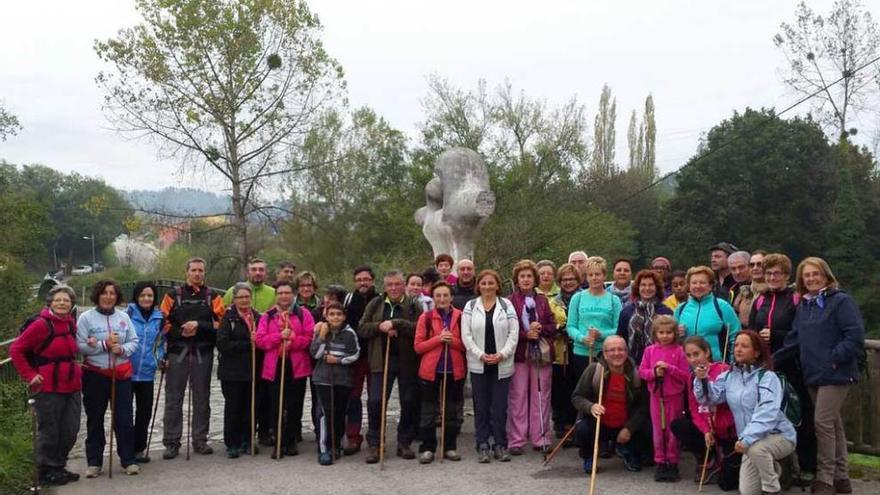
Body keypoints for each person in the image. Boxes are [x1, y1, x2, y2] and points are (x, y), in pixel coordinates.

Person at [775, 257, 865, 495]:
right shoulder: (805, 305)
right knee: (833, 424)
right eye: (807, 275)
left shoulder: (840, 301)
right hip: (812, 373)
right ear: (802, 280)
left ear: (826, 276)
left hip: (836, 373)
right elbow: (794, 339)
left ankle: (825, 478)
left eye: (816, 274)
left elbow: (854, 335)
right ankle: (842, 477)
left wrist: (835, 357)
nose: (812, 279)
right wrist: (770, 361)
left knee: (822, 423)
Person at [695, 330, 797, 495]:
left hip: (778, 435)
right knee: (747, 491)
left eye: (744, 346)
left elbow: (767, 411)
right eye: (736, 345)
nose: (738, 349)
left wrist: (746, 438)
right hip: (749, 442)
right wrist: (702, 379)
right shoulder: (727, 377)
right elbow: (709, 399)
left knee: (758, 450)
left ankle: (772, 489)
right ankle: (774, 468)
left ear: (756, 353)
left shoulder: (767, 377)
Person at [751, 253, 816, 483]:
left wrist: (777, 336)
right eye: (768, 273)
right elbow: (751, 332)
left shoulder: (796, 299)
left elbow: (801, 335)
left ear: (787, 275)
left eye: (777, 273)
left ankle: (808, 466)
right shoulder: (760, 300)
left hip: (792, 367)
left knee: (800, 416)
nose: (772, 277)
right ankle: (780, 470)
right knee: (770, 416)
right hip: (765, 369)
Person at [10, 285, 82, 486]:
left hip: (71, 384)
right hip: (47, 387)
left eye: (66, 300)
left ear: (71, 304)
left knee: (70, 430)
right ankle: (46, 470)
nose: (62, 303)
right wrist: (30, 375)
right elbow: (16, 349)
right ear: (50, 302)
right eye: (58, 300)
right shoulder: (41, 325)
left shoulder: (70, 323)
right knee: (50, 430)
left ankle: (58, 466)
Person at [159, 257, 225, 459]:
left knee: (202, 398)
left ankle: (200, 439)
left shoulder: (212, 297)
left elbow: (221, 324)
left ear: (205, 273)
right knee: (173, 399)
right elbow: (162, 323)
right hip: (177, 352)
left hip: (202, 353)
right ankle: (171, 441)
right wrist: (181, 332)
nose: (197, 274)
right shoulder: (172, 296)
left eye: (201, 271)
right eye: (194, 270)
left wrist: (199, 325)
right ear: (186, 272)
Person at [77, 280, 140, 477]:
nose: (108, 296)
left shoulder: (123, 317)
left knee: (124, 418)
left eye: (112, 293)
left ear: (117, 296)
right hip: (95, 374)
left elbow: (134, 341)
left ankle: (128, 459)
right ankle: (94, 462)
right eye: (104, 293)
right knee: (95, 418)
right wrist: (103, 345)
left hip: (120, 374)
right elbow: (79, 345)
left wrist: (121, 349)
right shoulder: (86, 318)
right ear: (98, 295)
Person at [358, 270, 422, 463]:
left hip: (406, 361)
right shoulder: (376, 303)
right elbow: (362, 328)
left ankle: (404, 442)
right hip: (380, 360)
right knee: (376, 401)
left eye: (397, 284)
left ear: (403, 285)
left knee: (408, 401)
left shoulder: (413, 304)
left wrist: (398, 324)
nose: (394, 288)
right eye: (390, 285)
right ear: (385, 287)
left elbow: (420, 328)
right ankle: (375, 443)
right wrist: (380, 327)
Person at [461, 269, 519, 463]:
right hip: (480, 364)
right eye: (484, 283)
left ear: (497, 285)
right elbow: (466, 335)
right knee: (481, 407)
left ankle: (500, 444)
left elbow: (514, 333)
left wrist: (502, 354)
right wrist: (481, 355)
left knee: (500, 407)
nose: (487, 286)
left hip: (501, 363)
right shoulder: (470, 306)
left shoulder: (506, 305)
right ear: (479, 285)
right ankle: (483, 444)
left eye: (491, 283)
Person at [571, 335, 650, 474]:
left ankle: (626, 449)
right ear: (605, 354)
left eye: (621, 349)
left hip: (624, 424)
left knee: (648, 428)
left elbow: (643, 407)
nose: (617, 353)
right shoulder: (594, 370)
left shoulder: (636, 373)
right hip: (599, 423)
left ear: (627, 352)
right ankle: (589, 456)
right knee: (582, 428)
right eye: (611, 350)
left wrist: (629, 428)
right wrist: (590, 406)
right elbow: (577, 397)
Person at [671, 336, 739, 489]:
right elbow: (694, 409)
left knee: (727, 484)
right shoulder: (692, 377)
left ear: (707, 352)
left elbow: (733, 403)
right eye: (688, 356)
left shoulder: (724, 370)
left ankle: (724, 459)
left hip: (727, 429)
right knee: (678, 425)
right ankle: (708, 460)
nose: (693, 359)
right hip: (708, 426)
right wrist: (706, 431)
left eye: (696, 354)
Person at [256, 281, 314, 458]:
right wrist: (278, 337)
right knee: (276, 405)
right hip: (274, 365)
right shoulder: (268, 316)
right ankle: (279, 441)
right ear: (276, 295)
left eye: (287, 292)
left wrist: (293, 341)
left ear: (293, 294)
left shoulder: (303, 314)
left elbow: (310, 337)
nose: (283, 296)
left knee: (294, 405)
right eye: (280, 293)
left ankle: (291, 440)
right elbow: (260, 340)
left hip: (296, 365)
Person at [507, 260, 558, 454]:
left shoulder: (543, 300)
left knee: (541, 395)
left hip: (541, 355)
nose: (526, 280)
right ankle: (517, 439)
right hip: (520, 354)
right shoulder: (510, 300)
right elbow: (506, 329)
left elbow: (553, 326)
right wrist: (525, 334)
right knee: (518, 396)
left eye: (529, 276)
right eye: (522, 276)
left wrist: (541, 328)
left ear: (534, 279)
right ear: (517, 280)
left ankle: (541, 437)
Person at [414, 282, 467, 463]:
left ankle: (449, 447)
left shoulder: (461, 317)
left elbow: (466, 345)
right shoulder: (426, 317)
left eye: (446, 295)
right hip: (431, 371)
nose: (442, 299)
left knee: (451, 411)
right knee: (428, 411)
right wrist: (438, 339)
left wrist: (452, 341)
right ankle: (427, 447)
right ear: (433, 298)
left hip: (454, 370)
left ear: (451, 297)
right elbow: (418, 347)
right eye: (438, 296)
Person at [638, 315, 689, 482]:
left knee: (672, 430)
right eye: (661, 332)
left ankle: (673, 461)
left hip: (674, 397)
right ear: (655, 333)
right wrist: (654, 373)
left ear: (675, 333)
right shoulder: (650, 351)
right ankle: (660, 461)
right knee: (658, 430)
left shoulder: (680, 351)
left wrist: (670, 369)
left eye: (669, 332)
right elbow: (642, 372)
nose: (665, 336)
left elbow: (686, 376)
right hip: (656, 396)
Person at [310, 302, 361, 465]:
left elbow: (355, 354)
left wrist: (338, 360)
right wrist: (322, 337)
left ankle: (336, 444)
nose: (335, 317)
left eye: (339, 314)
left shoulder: (349, 333)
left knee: (339, 413)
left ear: (344, 316)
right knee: (326, 413)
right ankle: (324, 448)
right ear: (326, 316)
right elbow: (316, 354)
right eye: (332, 314)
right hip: (323, 378)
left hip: (343, 379)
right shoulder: (320, 330)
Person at [216, 283, 261, 458]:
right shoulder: (228, 318)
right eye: (240, 297)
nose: (244, 300)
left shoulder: (257, 316)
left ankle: (248, 440)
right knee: (233, 407)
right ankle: (232, 443)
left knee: (250, 407)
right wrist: (247, 344)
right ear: (234, 299)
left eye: (247, 297)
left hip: (253, 369)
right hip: (232, 371)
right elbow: (222, 343)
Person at [126, 282, 165, 463]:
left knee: (145, 412)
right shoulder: (127, 315)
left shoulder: (159, 318)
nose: (146, 299)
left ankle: (139, 449)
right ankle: (126, 450)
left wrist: (161, 358)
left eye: (150, 296)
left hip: (147, 373)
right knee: (125, 413)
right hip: (126, 372)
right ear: (136, 297)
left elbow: (160, 342)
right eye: (142, 295)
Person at [342, 266, 379, 455]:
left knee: (375, 399)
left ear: (372, 280)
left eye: (366, 279)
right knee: (353, 398)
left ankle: (375, 437)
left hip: (375, 356)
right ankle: (353, 437)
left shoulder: (380, 299)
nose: (363, 283)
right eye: (359, 280)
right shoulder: (348, 300)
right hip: (354, 357)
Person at [566, 256, 623, 380]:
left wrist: (601, 334)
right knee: (584, 390)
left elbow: (618, 328)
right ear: (586, 277)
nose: (594, 278)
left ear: (604, 276)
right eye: (590, 275)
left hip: (606, 353)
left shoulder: (614, 300)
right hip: (581, 352)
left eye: (597, 274)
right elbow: (570, 326)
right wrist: (582, 338)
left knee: (604, 389)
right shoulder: (578, 298)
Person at [674, 266, 741, 363]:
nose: (698, 286)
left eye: (702, 283)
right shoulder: (680, 309)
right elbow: (672, 340)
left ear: (710, 286)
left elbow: (735, 336)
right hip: (688, 367)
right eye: (694, 283)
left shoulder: (722, 306)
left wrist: (732, 364)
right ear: (689, 286)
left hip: (717, 366)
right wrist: (677, 335)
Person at [548, 263, 580, 442]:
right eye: (564, 279)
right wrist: (557, 328)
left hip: (578, 349)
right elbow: (548, 323)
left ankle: (575, 424)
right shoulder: (553, 302)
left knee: (577, 386)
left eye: (571, 279)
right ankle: (561, 425)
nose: (568, 282)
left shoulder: (583, 298)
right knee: (560, 389)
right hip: (559, 351)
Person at [617, 270, 673, 366]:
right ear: (638, 288)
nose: (647, 288)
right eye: (643, 285)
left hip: (659, 363)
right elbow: (621, 338)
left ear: (656, 288)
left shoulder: (665, 312)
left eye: (651, 285)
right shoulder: (627, 312)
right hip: (632, 364)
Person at [733, 251, 767, 329]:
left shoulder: (775, 292)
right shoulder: (743, 293)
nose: (755, 268)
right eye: (752, 265)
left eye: (759, 264)